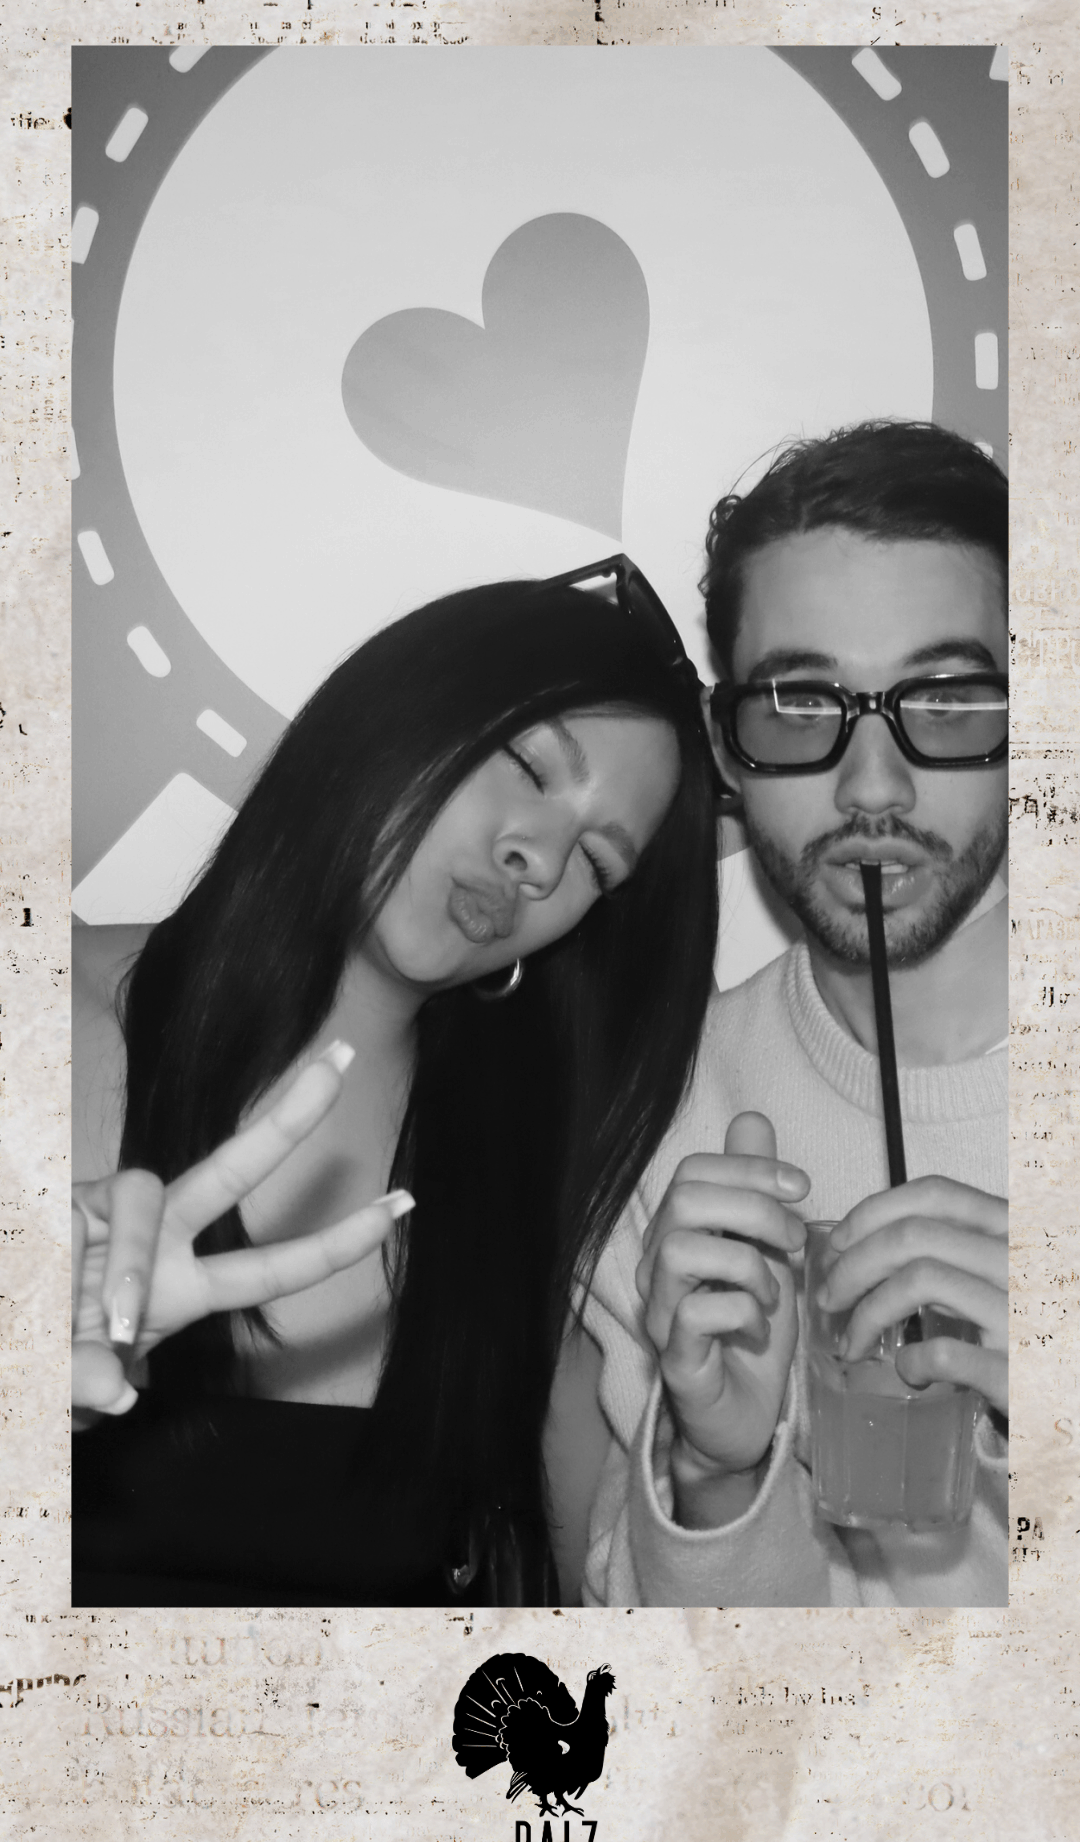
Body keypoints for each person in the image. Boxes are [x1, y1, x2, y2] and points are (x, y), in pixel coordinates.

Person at [72, 562, 721, 1606]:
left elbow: (615, 1611)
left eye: (599, 863)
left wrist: (717, 1466)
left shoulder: (528, 1195)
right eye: (528, 765)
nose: (540, 861)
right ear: (394, 715)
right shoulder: (55, 1010)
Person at [581, 422, 1008, 1607]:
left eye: (947, 698)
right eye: (801, 704)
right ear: (728, 746)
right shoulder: (668, 1133)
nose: (874, 788)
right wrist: (716, 1471)